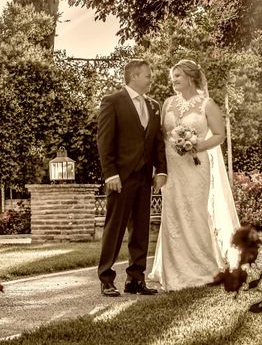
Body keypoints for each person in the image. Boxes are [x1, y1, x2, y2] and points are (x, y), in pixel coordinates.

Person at [149, 59, 240, 291]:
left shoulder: (207, 104)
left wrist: (196, 145)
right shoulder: (168, 104)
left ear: (190, 77)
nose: (173, 80)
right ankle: (173, 271)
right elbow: (160, 137)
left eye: (177, 76)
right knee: (174, 214)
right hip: (173, 168)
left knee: (197, 213)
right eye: (173, 77)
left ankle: (204, 266)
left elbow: (219, 135)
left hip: (196, 167)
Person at [97, 59, 168, 297]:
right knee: (114, 229)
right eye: (148, 75)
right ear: (134, 76)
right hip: (121, 177)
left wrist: (161, 170)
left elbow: (157, 142)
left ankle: (135, 279)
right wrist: (110, 174)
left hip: (144, 177)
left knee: (140, 230)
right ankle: (106, 278)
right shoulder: (112, 101)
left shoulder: (154, 105)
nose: (151, 79)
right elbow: (104, 141)